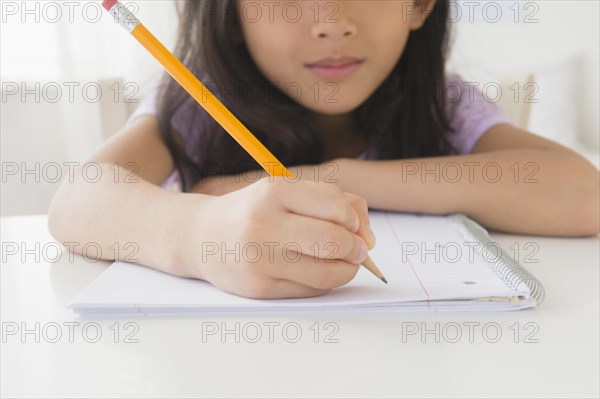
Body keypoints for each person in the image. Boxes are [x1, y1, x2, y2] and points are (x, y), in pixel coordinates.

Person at [48, 0, 599, 299]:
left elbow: (584, 195)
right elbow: (77, 202)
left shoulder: (441, 102)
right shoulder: (197, 102)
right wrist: (197, 234)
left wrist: (334, 177)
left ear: (420, 4)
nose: (333, 23)